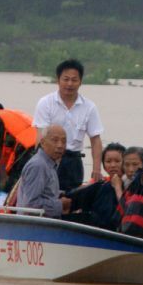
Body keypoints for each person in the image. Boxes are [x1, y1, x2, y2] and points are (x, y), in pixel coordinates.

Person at [32, 59, 104, 192]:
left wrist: (96, 169)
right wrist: (40, 162)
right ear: (58, 80)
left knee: (71, 200)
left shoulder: (89, 107)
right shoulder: (45, 103)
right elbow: (40, 137)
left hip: (74, 161)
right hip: (50, 159)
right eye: (65, 79)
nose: (69, 84)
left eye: (74, 80)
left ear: (80, 82)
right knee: (46, 195)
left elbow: (95, 140)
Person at [63, 142, 125, 230]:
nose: (113, 165)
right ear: (103, 164)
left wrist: (117, 187)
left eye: (117, 161)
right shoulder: (101, 184)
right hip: (94, 226)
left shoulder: (129, 185)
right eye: (108, 161)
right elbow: (77, 197)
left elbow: (128, 211)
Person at [17, 125, 72, 218]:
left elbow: (45, 193)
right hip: (35, 226)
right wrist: (60, 205)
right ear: (42, 142)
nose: (60, 145)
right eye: (55, 140)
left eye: (64, 141)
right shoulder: (38, 165)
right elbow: (30, 205)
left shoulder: (50, 163)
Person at [113, 147, 143, 241]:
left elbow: (126, 209)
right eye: (126, 165)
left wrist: (117, 188)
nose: (131, 169)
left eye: (135, 164)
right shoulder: (126, 182)